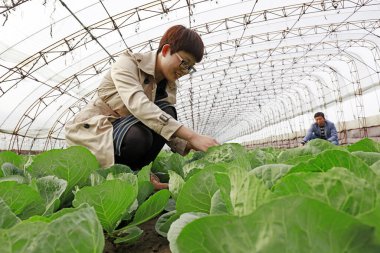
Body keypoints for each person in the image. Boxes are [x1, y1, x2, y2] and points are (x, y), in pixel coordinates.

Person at [65, 25, 219, 189]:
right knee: (138, 137)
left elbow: (162, 123)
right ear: (166, 50)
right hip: (97, 130)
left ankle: (139, 174)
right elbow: (139, 105)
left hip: (127, 128)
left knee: (167, 111)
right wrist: (192, 136)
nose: (185, 71)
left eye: (190, 67)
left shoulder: (169, 86)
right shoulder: (127, 63)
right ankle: (120, 178)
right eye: (184, 63)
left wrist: (188, 144)